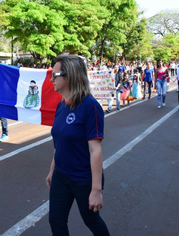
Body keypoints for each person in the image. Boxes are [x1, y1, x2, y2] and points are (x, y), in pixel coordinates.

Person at [45, 54, 110, 236]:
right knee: (56, 221)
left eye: (55, 75)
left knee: (91, 221)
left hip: (83, 179)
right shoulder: (61, 105)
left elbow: (95, 150)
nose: (52, 79)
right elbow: (60, 143)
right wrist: (52, 170)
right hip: (61, 176)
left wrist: (96, 190)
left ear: (69, 76)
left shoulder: (90, 107)